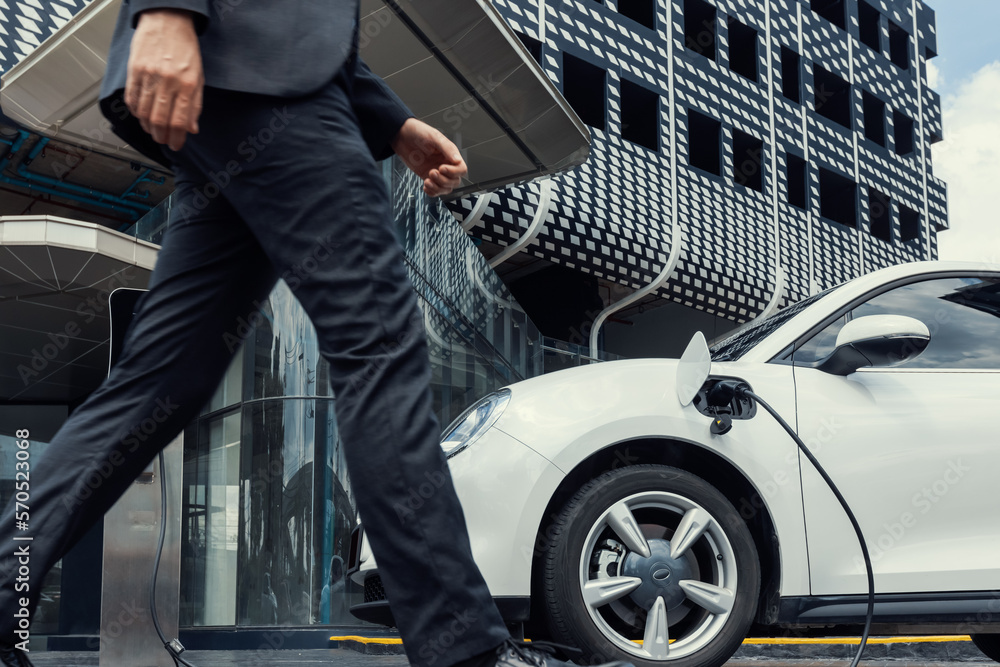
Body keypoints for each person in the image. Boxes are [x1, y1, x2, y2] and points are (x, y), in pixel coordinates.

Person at [0, 3, 635, 667]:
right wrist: (167, 10)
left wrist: (396, 123)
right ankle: (465, 650)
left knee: (158, 381)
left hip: (248, 89)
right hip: (267, 86)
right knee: (379, 350)